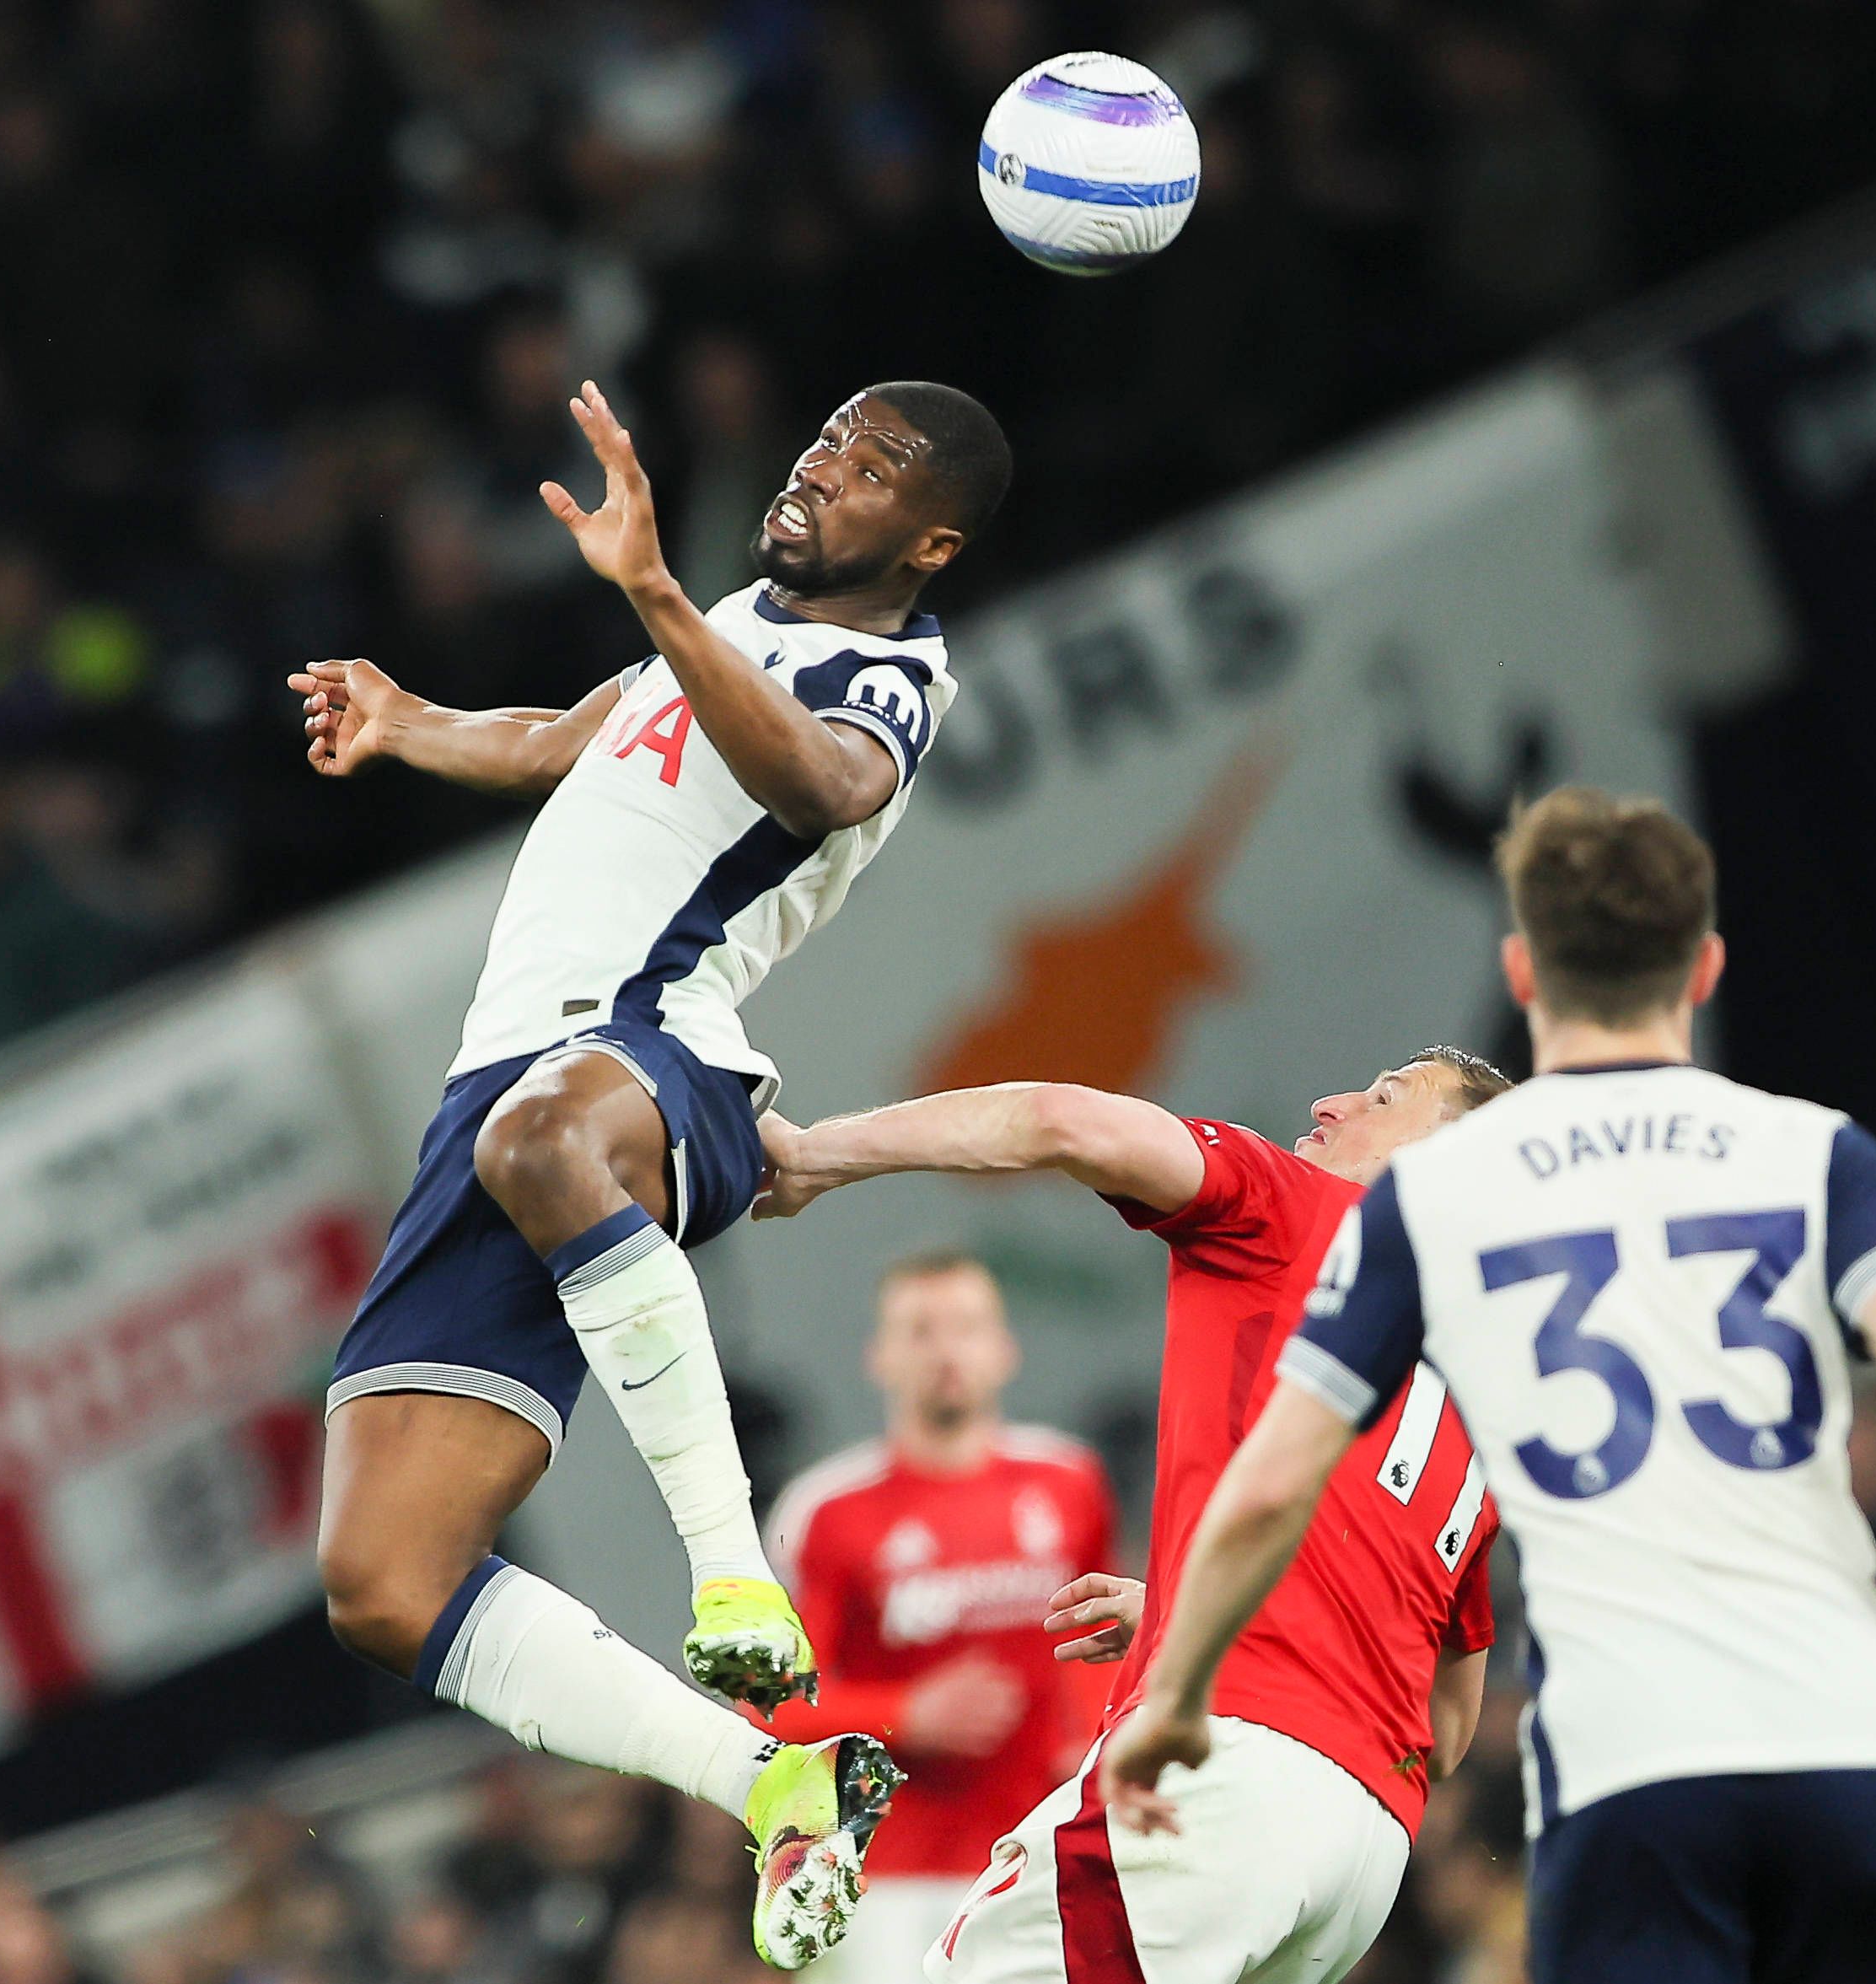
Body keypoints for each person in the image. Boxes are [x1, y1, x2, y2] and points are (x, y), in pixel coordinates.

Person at [292, 377, 1013, 1970]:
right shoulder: (739, 616)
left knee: (546, 1135)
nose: (824, 468)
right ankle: (773, 1777)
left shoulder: (890, 671)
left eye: (872, 466)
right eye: (824, 438)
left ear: (932, 538)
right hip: (502, 1082)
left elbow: (816, 786)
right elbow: (578, 739)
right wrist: (411, 722)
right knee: (380, 1581)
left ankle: (731, 1569)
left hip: (657, 1057)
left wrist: (657, 592)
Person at [1104, 788, 1876, 1984]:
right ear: (1707, 966)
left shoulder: (1440, 1201)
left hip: (1632, 1753)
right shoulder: (1815, 1149)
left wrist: (1178, 1685)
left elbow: (1273, 1478)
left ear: (1523, 974)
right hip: (1841, 1719)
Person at [754, 1046, 1513, 1984]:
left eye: (1385, 1097)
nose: (1333, 1098)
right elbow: (1447, 1722)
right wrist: (1180, 1616)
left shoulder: (1294, 1210)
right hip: (1360, 1855)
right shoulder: (1482, 1393)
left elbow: (1062, 1120)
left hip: (1220, 1778)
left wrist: (820, 1152)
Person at [759, 1251, 1121, 1984]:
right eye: (920, 1330)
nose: (946, 1350)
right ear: (879, 1357)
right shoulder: (826, 1513)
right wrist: (906, 1713)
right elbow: (773, 1703)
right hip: (878, 1872)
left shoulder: (1070, 1483)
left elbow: (1100, 1645)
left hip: (1038, 1860)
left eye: (966, 1326)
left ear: (1004, 1348)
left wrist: (1089, 1738)